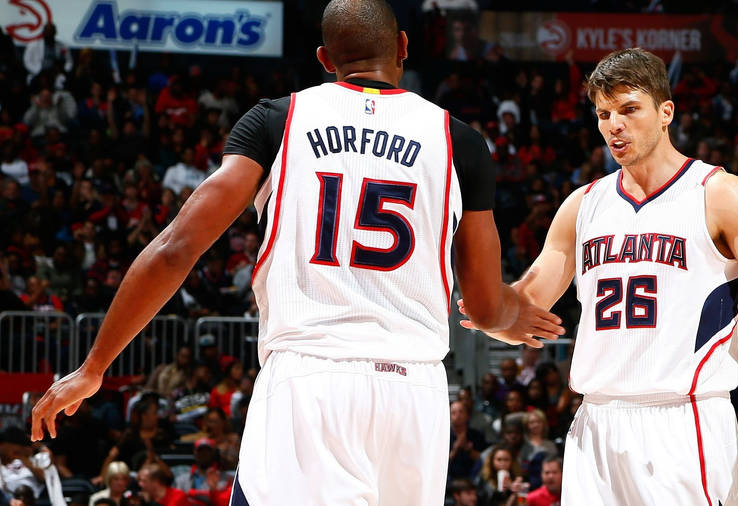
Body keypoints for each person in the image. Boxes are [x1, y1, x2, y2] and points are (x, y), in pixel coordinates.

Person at [29, 1, 563, 505]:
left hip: (310, 380)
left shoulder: (278, 119)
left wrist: (94, 366)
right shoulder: (460, 140)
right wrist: (511, 315)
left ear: (325, 60)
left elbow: (176, 248)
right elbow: (485, 308)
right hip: (415, 392)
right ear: (403, 46)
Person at [460, 47, 738, 504]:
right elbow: (524, 306)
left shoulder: (718, 194)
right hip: (595, 423)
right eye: (604, 114)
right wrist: (492, 313)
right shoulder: (582, 205)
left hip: (682, 420)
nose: (614, 125)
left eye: (629, 109)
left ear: (665, 112)